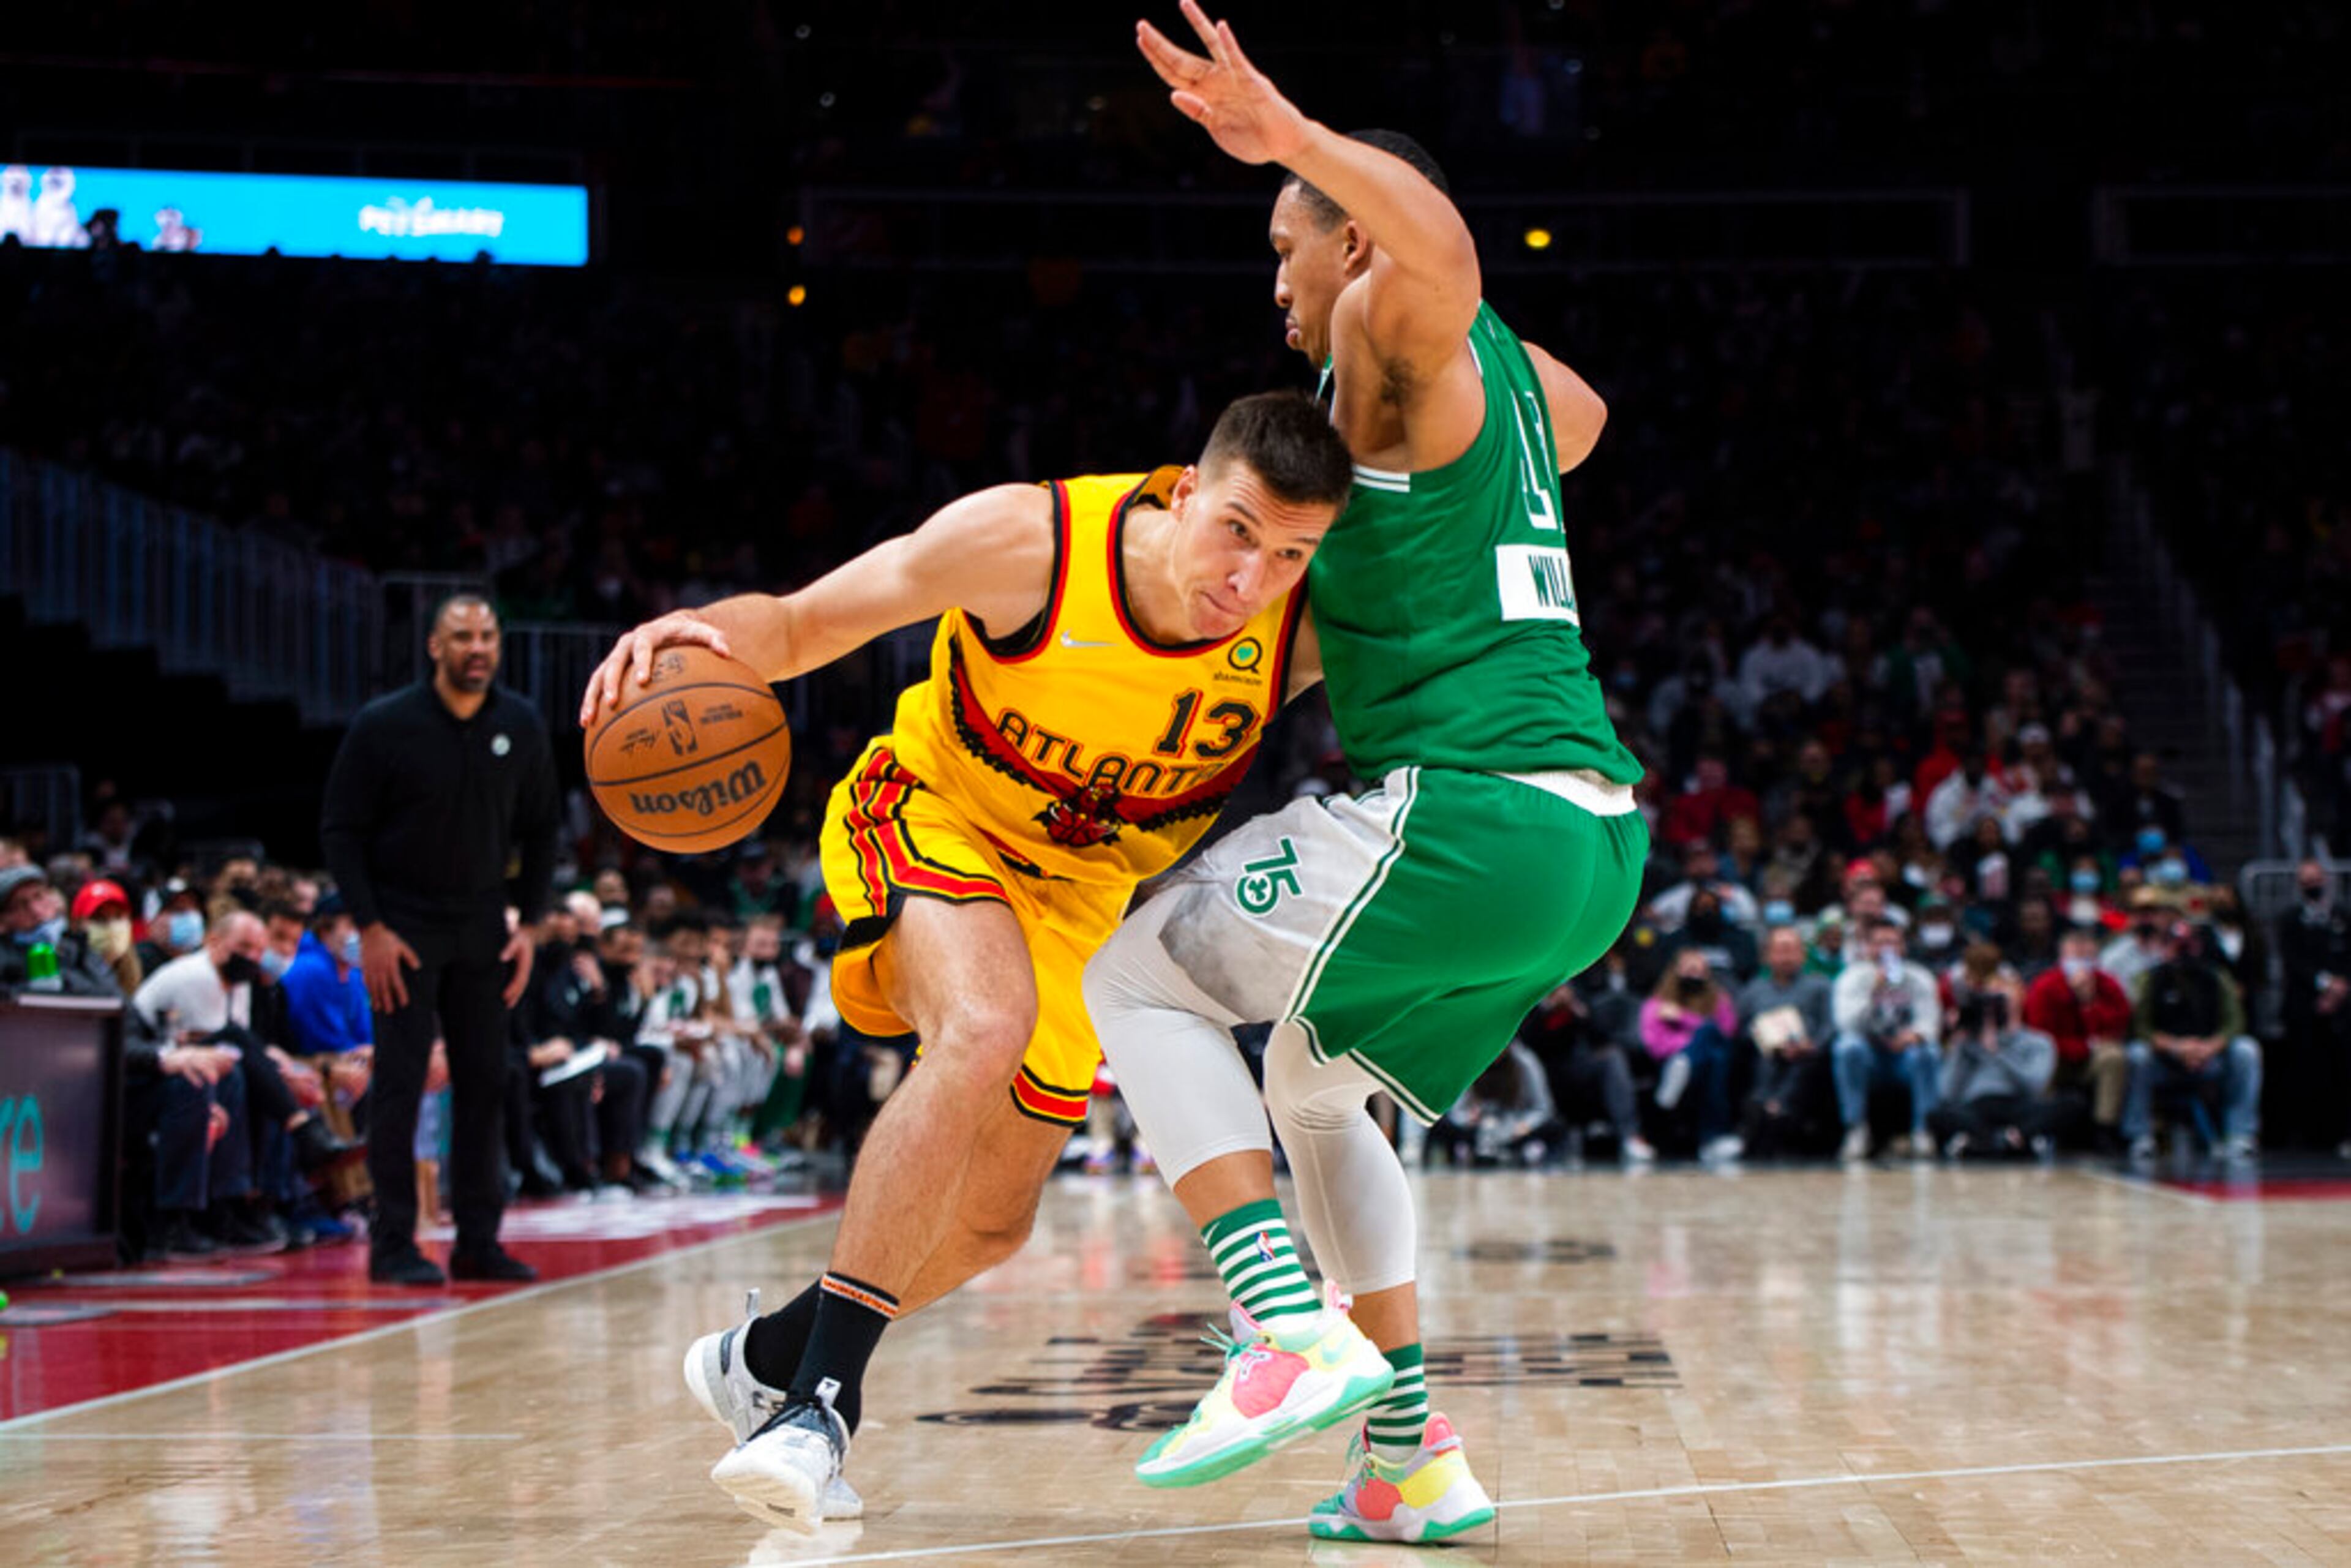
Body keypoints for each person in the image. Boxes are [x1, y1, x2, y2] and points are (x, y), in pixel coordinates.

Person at [580, 388, 1353, 1531]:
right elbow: (795, 629)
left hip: (1083, 896)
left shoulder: (1305, 625)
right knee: (983, 1025)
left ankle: (768, 1352)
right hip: (938, 812)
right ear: (1185, 492)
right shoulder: (1029, 546)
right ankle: (817, 1412)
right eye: (1237, 530)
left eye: (1290, 553)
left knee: (994, 1223)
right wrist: (694, 634)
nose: (1251, 578)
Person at [1082, 7, 1641, 1542]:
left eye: (1290, 243)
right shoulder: (1496, 384)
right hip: (1589, 840)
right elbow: (1573, 422)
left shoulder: (1395, 332)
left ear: (1360, 247)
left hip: (1469, 804)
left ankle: (1279, 1324)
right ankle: (1407, 1451)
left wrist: (1293, 135)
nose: (1275, 278)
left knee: (1133, 980)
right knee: (1314, 1082)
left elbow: (1441, 259)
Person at [320, 594, 559, 1286]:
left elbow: (543, 828)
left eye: (487, 634)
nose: (477, 646)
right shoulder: (384, 724)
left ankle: (478, 1240)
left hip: (484, 923)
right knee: (400, 1082)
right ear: (435, 647)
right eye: (462, 636)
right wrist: (370, 928)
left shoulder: (520, 721)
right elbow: (341, 829)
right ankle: (393, 1242)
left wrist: (533, 924)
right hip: (404, 925)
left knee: (487, 1079)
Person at [2121, 921, 2262, 1161]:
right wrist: (2177, 1048)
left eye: (2190, 945)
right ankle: (2140, 1136)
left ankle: (2240, 1134)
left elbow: (2235, 1024)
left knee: (2246, 1050)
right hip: (2165, 1061)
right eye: (2178, 945)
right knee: (2137, 1054)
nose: (2185, 951)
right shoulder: (2151, 979)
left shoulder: (2217, 977)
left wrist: (2208, 1048)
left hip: (2209, 1058)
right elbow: (2141, 1028)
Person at [1829, 917, 1943, 1160]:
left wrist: (1916, 1035)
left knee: (1928, 1052)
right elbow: (1846, 1024)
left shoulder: (1920, 977)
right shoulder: (1851, 978)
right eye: (1880, 943)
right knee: (1848, 1048)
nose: (1887, 950)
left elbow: (1930, 1022)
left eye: (1893, 943)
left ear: (1903, 947)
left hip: (1904, 1057)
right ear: (1867, 947)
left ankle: (1923, 1130)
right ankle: (1856, 1128)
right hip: (1869, 1055)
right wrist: (1874, 992)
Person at [1927, 991, 2060, 1158]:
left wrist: (1998, 1052)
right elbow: (1947, 1093)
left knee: (2070, 1103)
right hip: (1977, 1106)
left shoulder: (2038, 1042)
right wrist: (1959, 1047)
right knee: (1936, 1115)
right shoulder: (1968, 1044)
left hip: (2018, 1104)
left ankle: (1985, 1141)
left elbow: (2035, 1086)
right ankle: (2009, 1141)